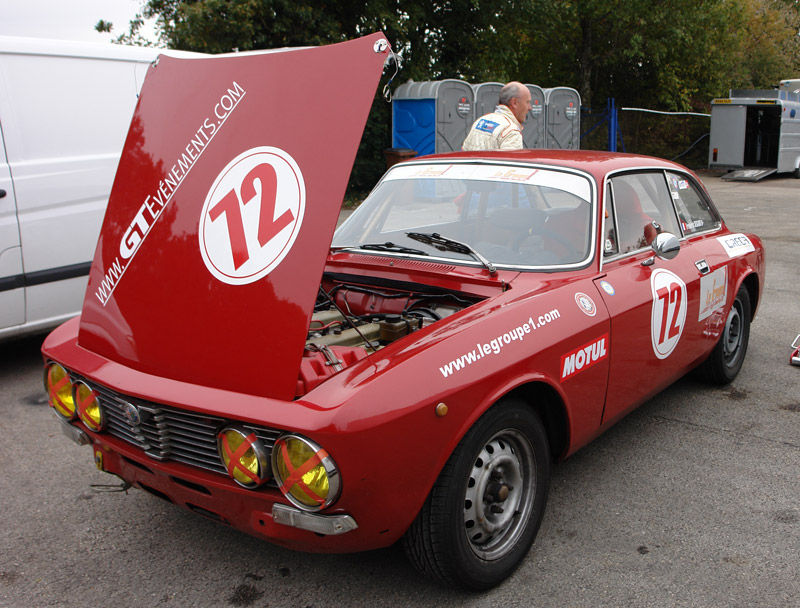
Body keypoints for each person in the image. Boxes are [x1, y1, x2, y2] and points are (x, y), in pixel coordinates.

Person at [462, 82, 532, 151]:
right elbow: (510, 161)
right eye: (527, 102)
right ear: (514, 103)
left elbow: (464, 152)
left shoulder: (480, 121)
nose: (530, 108)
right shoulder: (511, 132)